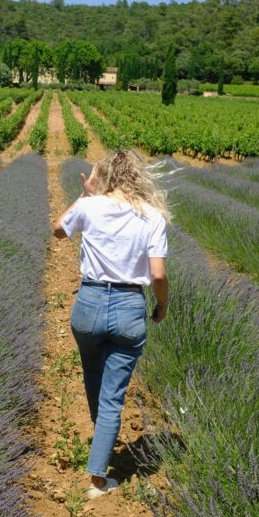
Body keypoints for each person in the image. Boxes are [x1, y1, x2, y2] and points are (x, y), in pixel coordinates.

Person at [53, 150, 169, 498]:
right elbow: (158, 274)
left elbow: (58, 230)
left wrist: (84, 196)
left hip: (88, 304)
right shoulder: (152, 217)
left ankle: (100, 441)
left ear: (103, 175)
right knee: (113, 396)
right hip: (128, 307)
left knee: (93, 374)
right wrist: (162, 304)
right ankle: (98, 479)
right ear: (138, 175)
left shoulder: (89, 207)